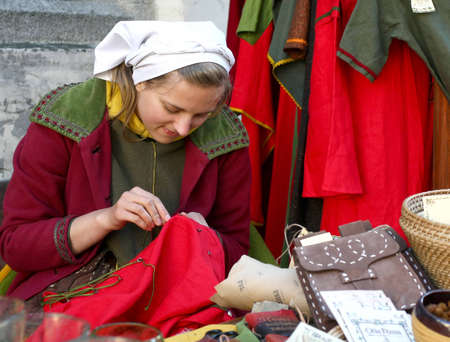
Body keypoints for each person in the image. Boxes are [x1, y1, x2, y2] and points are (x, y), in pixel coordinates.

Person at [0, 21, 251, 330]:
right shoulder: (65, 121)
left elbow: (237, 248)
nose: (183, 127)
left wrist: (204, 238)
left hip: (183, 303)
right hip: (74, 297)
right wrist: (105, 219)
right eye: (171, 108)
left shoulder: (225, 137)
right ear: (140, 81)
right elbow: (16, 245)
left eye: (202, 115)